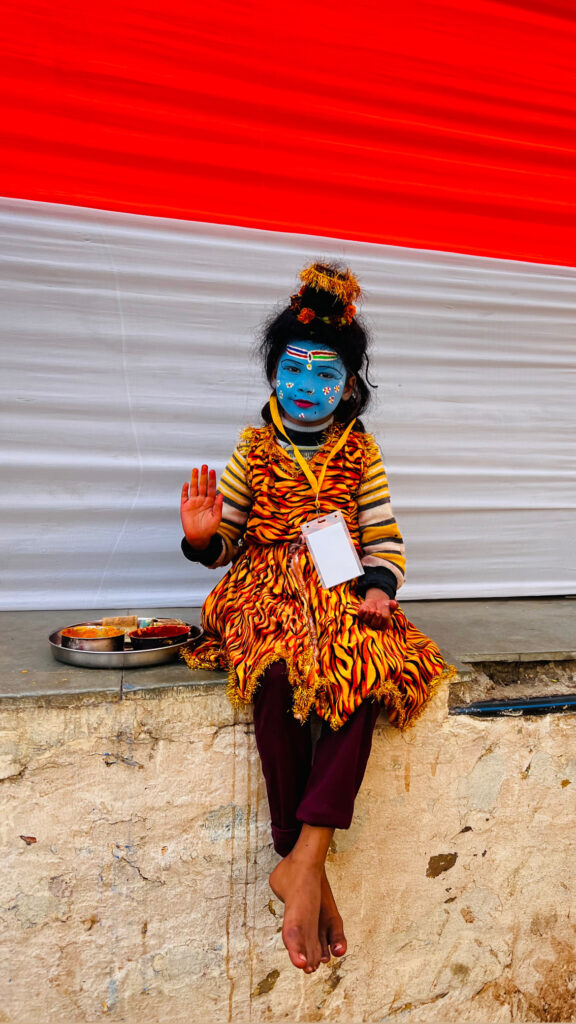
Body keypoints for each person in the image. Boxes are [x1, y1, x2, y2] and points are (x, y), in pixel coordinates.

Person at [180, 262, 449, 974]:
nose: (306, 387)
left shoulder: (359, 453)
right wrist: (206, 536)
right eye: (293, 370)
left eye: (323, 374)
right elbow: (228, 536)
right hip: (266, 586)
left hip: (341, 586)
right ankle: (307, 866)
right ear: (274, 377)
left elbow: (383, 531)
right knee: (275, 676)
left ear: (349, 387)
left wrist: (382, 585)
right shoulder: (253, 448)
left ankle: (301, 859)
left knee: (362, 674)